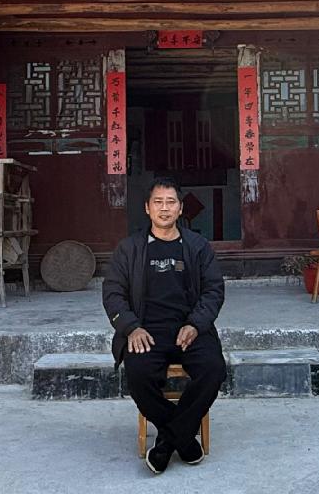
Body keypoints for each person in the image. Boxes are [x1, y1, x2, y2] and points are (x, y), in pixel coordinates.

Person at [102, 176, 226, 474]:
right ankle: (183, 439)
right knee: (138, 374)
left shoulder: (197, 246)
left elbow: (213, 290)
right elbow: (113, 293)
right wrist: (131, 327)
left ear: (180, 208)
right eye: (158, 202)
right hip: (146, 331)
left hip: (189, 330)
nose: (165, 208)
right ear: (147, 208)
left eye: (171, 202)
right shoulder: (129, 248)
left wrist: (195, 324)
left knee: (213, 369)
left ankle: (167, 442)